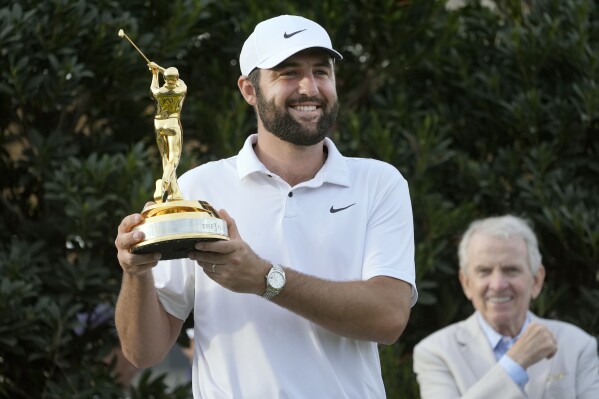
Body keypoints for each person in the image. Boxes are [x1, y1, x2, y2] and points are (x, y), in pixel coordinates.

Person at [115, 14, 417, 398]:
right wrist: (135, 272)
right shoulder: (198, 187)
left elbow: (388, 317)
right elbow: (143, 352)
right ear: (249, 89)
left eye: (322, 71)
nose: (310, 87)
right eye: (288, 73)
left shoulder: (379, 183)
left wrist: (264, 279)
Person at [413, 215, 599, 399]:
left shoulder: (578, 346)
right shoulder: (436, 352)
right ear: (467, 283)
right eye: (484, 271)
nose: (498, 284)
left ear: (536, 280)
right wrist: (515, 363)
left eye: (511, 270)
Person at [148, 61, 186, 203]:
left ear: (165, 79)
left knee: (165, 157)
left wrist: (154, 73)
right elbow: (180, 80)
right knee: (174, 158)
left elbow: (153, 88)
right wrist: (160, 68)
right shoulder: (181, 90)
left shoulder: (160, 92)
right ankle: (163, 184)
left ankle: (174, 193)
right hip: (172, 123)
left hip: (159, 123)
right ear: (175, 78)